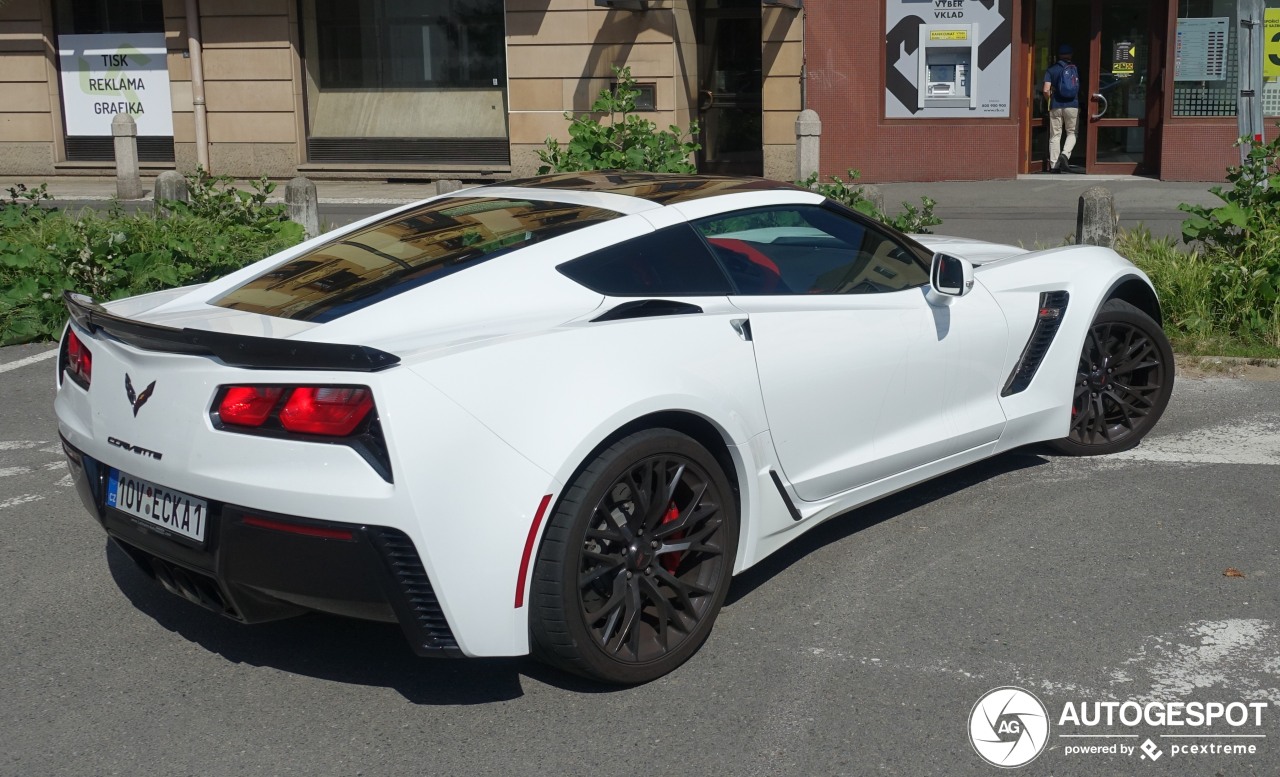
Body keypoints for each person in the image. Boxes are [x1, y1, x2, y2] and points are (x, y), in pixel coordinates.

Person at [1042, 44, 1079, 173]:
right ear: (1070, 55)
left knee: (1055, 135)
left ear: (1058, 55)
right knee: (1072, 132)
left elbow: (1046, 90)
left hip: (1056, 105)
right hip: (1072, 105)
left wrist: (1050, 100)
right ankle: (1065, 154)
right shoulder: (1074, 69)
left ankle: (1054, 166)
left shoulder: (1051, 70)